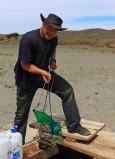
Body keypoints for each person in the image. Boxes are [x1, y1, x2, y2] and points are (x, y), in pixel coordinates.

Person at [13, 13, 90, 144]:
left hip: (44, 74)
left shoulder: (54, 38)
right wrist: (41, 71)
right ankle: (17, 144)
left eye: (56, 30)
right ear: (43, 24)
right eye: (50, 28)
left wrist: (53, 60)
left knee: (67, 91)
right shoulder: (28, 39)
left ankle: (74, 126)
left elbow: (53, 48)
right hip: (26, 78)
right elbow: (24, 64)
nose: (52, 32)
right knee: (21, 114)